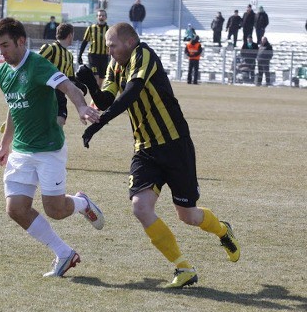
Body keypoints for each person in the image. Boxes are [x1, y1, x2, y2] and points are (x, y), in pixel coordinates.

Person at [76, 22, 240, 288]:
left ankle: (222, 230)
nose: (108, 50)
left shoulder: (144, 54)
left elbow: (131, 92)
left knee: (187, 215)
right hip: (145, 149)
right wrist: (89, 86)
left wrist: (100, 123)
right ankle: (183, 267)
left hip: (175, 144)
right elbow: (107, 99)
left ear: (129, 43)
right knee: (140, 207)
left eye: (112, 45)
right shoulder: (114, 65)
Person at [0, 17, 104, 278]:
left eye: (5, 45)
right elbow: (13, 106)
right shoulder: (2, 73)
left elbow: (69, 87)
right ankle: (64, 253)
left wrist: (82, 107)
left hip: (48, 149)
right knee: (15, 209)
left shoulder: (38, 64)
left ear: (21, 41)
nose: (2, 52)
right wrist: (4, 144)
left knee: (56, 210)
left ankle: (81, 203)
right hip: (21, 151)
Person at [39, 23, 88, 126]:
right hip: (47, 92)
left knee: (61, 119)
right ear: (70, 35)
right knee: (50, 120)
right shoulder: (50, 48)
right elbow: (35, 65)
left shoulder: (69, 56)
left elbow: (70, 77)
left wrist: (80, 85)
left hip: (61, 93)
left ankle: (53, 140)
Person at [78, 9, 109, 88]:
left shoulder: (109, 29)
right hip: (93, 56)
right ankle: (95, 95)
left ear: (106, 17)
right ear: (97, 17)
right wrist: (80, 55)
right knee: (96, 76)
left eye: (103, 15)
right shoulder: (91, 28)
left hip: (104, 56)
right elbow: (85, 42)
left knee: (101, 78)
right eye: (99, 15)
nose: (101, 17)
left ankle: (96, 96)